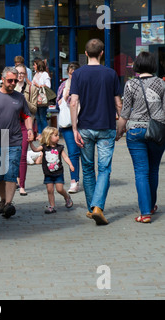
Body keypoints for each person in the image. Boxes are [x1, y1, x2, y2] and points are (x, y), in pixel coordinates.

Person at [70, 38, 122, 226]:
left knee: (88, 170)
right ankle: (98, 206)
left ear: (85, 54)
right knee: (104, 168)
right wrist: (121, 125)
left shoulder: (78, 74)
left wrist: (74, 128)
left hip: (85, 126)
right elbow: (118, 103)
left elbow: (73, 102)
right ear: (102, 53)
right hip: (106, 126)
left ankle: (93, 209)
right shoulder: (111, 73)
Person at [0, 67, 33, 218]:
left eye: (15, 80)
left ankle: (9, 204)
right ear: (3, 79)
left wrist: (29, 130)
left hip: (15, 139)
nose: (13, 83)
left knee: (11, 172)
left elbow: (27, 116)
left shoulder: (19, 97)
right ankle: (2, 200)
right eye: (10, 80)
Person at [116, 51, 165, 224]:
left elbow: (125, 112)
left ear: (137, 65)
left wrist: (119, 131)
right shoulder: (161, 83)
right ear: (153, 65)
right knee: (153, 170)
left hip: (135, 131)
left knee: (141, 172)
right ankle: (151, 206)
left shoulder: (130, 85)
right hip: (157, 131)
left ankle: (145, 213)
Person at [30, 127, 74, 214]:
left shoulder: (60, 147)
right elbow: (35, 149)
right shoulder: (44, 147)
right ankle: (52, 206)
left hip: (58, 173)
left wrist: (70, 165)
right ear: (48, 137)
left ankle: (67, 197)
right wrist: (30, 142)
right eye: (56, 135)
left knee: (59, 189)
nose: (58, 137)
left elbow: (65, 157)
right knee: (50, 190)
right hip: (48, 174)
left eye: (58, 135)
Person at [57, 61, 81, 194]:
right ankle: (74, 181)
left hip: (81, 122)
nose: (72, 76)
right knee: (73, 153)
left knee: (84, 154)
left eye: (74, 73)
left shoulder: (83, 85)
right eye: (70, 74)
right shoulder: (63, 85)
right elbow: (57, 103)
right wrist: (64, 98)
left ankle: (88, 180)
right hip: (67, 124)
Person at [15, 63, 38, 196]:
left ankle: (22, 185)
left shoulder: (32, 89)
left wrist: (23, 99)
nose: (19, 76)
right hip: (12, 125)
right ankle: (16, 180)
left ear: (25, 75)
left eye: (22, 73)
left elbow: (34, 108)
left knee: (23, 155)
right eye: (17, 73)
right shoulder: (10, 88)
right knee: (14, 155)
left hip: (26, 124)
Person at [32, 59, 51, 140]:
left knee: (42, 116)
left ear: (38, 65)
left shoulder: (45, 74)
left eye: (34, 64)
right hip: (36, 98)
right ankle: (40, 133)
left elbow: (48, 85)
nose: (33, 66)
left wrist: (38, 85)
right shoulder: (36, 74)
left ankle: (46, 133)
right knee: (38, 117)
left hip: (42, 99)